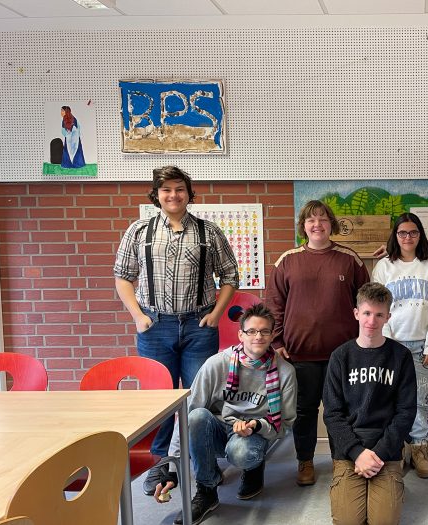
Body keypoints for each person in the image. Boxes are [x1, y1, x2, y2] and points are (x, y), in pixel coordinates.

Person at [113, 165, 240, 495]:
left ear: (189, 194)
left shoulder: (208, 232)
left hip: (199, 326)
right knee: (160, 401)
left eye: (179, 189)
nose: (173, 195)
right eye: (166, 189)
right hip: (154, 327)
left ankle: (205, 471)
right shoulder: (138, 231)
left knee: (199, 403)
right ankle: (162, 468)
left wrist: (215, 314)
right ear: (156, 194)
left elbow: (230, 276)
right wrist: (138, 317)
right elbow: (122, 276)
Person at [153, 303, 297, 525]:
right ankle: (207, 491)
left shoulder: (285, 372)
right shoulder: (217, 364)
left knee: (242, 452)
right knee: (197, 416)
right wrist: (171, 469)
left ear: (272, 335)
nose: (258, 336)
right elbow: (187, 414)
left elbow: (285, 424)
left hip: (256, 433)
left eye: (264, 331)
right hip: (219, 429)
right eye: (251, 331)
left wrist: (256, 426)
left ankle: (254, 467)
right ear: (241, 334)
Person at [265, 200, 370, 486]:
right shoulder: (287, 260)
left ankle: (342, 462)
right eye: (311, 220)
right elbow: (274, 304)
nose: (317, 225)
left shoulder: (350, 259)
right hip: (299, 354)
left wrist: (363, 343)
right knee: (304, 411)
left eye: (323, 219)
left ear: (331, 224)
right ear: (303, 225)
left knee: (342, 411)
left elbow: (366, 302)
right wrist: (276, 342)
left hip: (343, 354)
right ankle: (305, 462)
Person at [323, 282, 416, 525]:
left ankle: (389, 485)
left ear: (388, 317)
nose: (371, 321)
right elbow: (332, 414)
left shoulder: (401, 357)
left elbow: (405, 413)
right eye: (366, 313)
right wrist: (357, 453)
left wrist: (379, 454)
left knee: (383, 521)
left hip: (386, 449)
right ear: (356, 313)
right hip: (348, 451)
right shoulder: (340, 357)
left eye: (378, 315)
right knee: (348, 521)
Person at [371, 213, 428, 478]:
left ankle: (419, 449)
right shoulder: (383, 267)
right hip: (392, 344)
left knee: (420, 400)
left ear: (420, 235)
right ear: (395, 236)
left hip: (422, 345)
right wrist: (387, 342)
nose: (407, 238)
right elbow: (378, 307)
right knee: (392, 400)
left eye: (413, 232)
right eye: (402, 233)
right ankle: (396, 450)